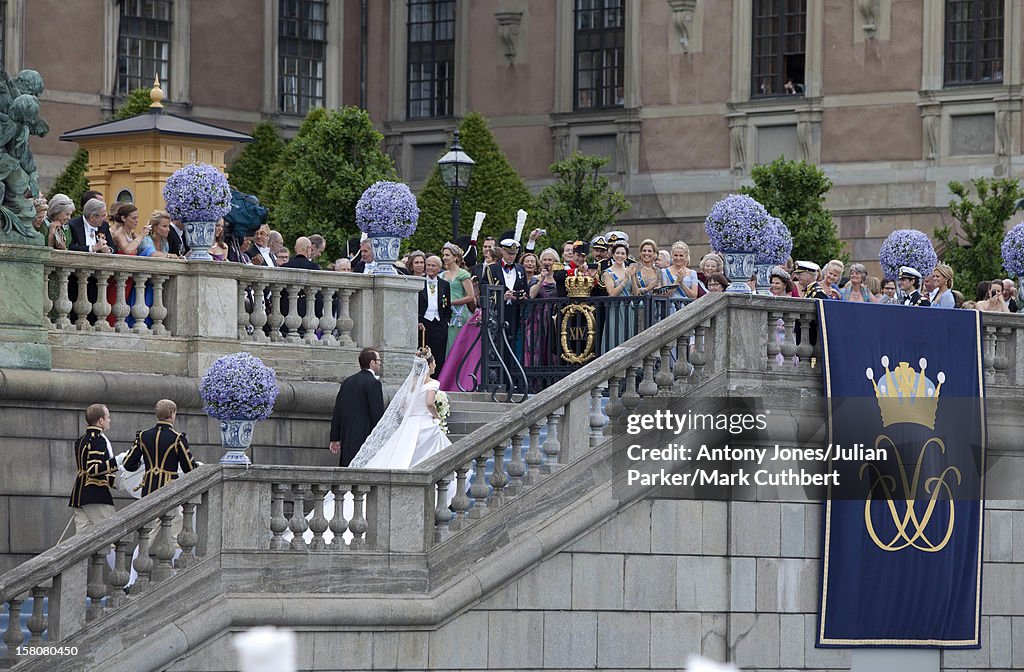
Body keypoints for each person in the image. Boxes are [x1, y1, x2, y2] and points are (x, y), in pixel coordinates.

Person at [350, 347, 451, 470]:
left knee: (402, 451)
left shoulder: (411, 384)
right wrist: (436, 415)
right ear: (429, 365)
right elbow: (429, 403)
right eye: (434, 362)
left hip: (409, 422)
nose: (435, 365)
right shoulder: (433, 383)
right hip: (425, 422)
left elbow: (404, 405)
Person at [122, 399, 197, 498]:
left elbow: (128, 464)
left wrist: (142, 465)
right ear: (172, 414)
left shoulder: (143, 436)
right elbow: (189, 468)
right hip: (169, 489)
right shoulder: (177, 438)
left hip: (148, 489)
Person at [329, 347, 385, 466]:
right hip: (365, 436)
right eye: (379, 360)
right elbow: (377, 414)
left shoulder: (347, 381)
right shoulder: (373, 383)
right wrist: (381, 437)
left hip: (346, 434)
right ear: (372, 363)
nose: (380, 363)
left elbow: (337, 410)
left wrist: (335, 437)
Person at [69, 403, 118, 534]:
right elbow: (93, 469)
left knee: (82, 540)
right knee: (112, 535)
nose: (109, 420)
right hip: (96, 493)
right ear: (100, 421)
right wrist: (117, 462)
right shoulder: (98, 440)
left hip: (79, 494)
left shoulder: (81, 440)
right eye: (107, 417)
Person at [419, 255, 452, 373]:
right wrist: (418, 321)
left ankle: (437, 381)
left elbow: (447, 305)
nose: (430, 268)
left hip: (439, 323)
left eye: (433, 265)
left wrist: (446, 321)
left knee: (438, 354)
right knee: (423, 354)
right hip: (424, 323)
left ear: (439, 268)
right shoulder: (419, 281)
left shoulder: (445, 284)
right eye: (428, 265)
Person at [441, 243, 474, 357]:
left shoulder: (463, 274)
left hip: (459, 313)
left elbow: (470, 296)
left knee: (457, 341)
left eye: (447, 255)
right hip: (446, 312)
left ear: (455, 257)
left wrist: (452, 302)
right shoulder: (442, 275)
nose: (444, 257)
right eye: (444, 255)